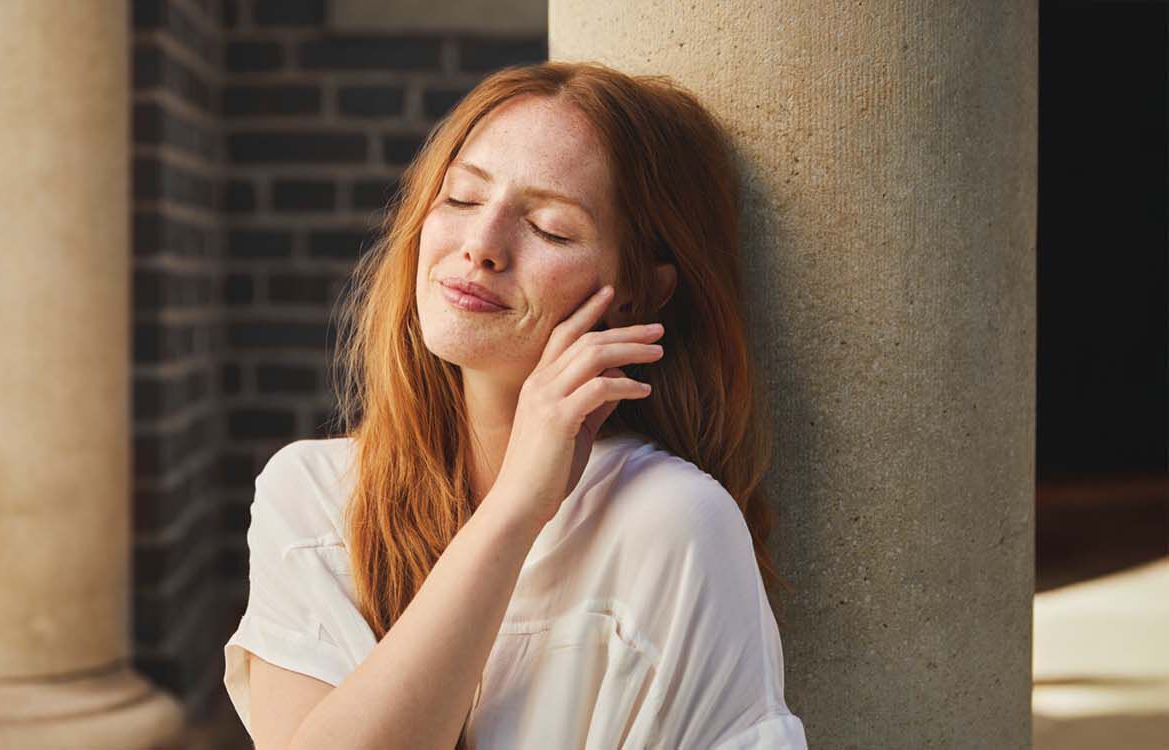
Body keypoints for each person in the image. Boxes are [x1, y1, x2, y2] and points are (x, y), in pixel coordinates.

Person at [223, 60, 808, 749]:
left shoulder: (672, 527)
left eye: (551, 229)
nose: (481, 246)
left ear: (638, 294)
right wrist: (513, 509)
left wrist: (527, 504)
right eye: (462, 199)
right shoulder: (314, 497)